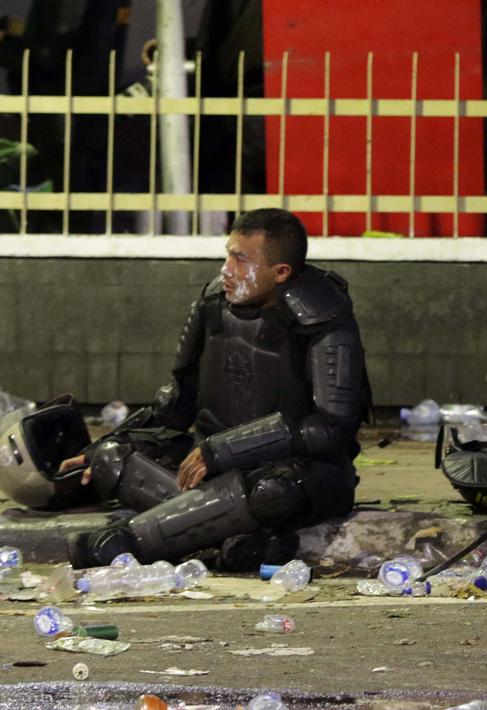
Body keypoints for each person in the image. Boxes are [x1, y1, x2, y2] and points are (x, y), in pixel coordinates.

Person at [60, 208, 369, 570]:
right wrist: (106, 442)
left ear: (280, 272)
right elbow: (178, 401)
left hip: (294, 474)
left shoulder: (325, 320)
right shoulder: (213, 303)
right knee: (112, 458)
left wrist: (226, 449)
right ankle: (233, 546)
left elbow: (332, 429)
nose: (227, 269)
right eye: (228, 254)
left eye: (241, 259)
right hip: (212, 467)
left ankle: (122, 544)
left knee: (272, 495)